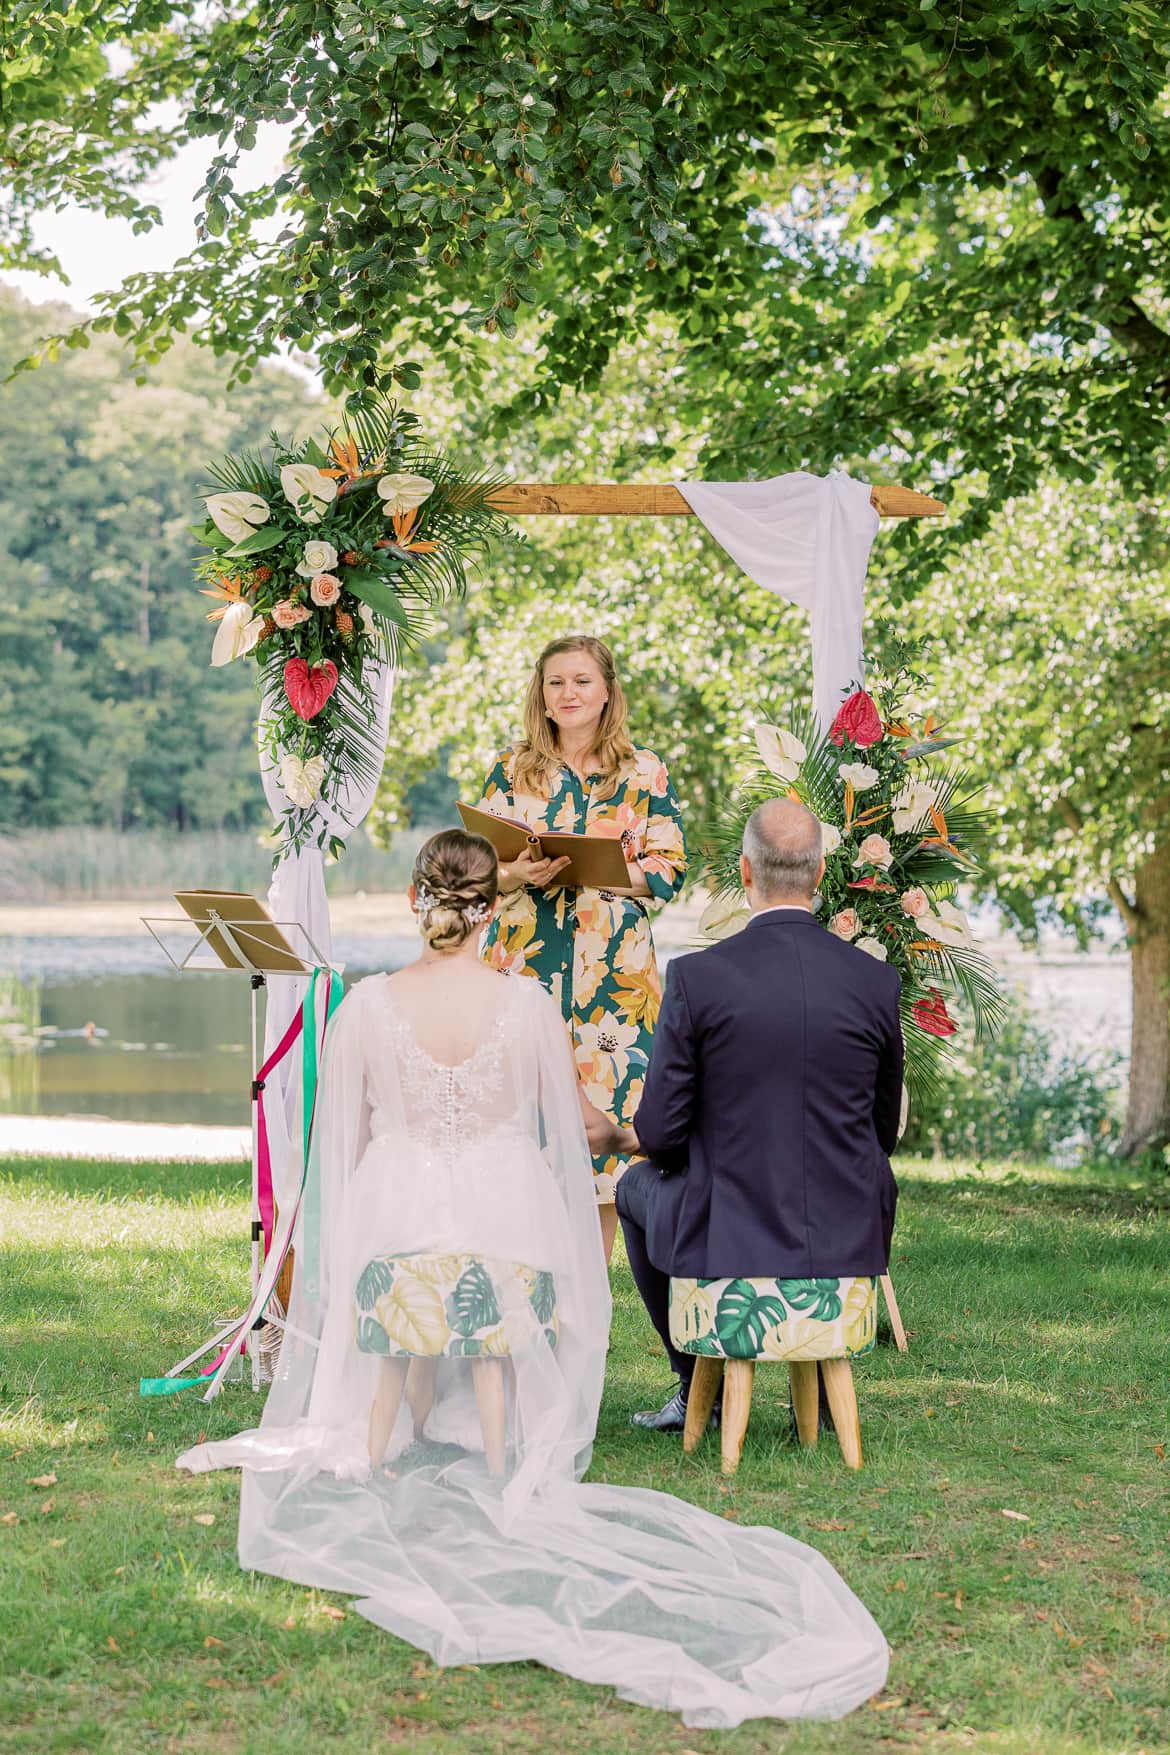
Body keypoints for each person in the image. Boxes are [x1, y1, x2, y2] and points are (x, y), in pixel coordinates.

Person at [176, 828, 889, 1727]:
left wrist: (375, 1212)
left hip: (393, 1228)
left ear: (413, 900)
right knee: (506, 1247)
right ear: (493, 908)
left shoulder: (363, 1006)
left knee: (420, 1252)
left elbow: (345, 1143)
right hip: (503, 1232)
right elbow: (579, 1126)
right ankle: (503, 1445)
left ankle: (376, 1437)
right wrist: (626, 1132)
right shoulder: (526, 1007)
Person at [617, 798, 904, 1432]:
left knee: (632, 1185)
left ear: (745, 873)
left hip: (729, 1232)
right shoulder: (875, 982)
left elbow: (661, 1137)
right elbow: (881, 1132)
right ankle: (827, 1395)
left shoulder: (697, 978)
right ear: (821, 874)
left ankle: (698, 1384)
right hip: (845, 1231)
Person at [478, 635, 687, 1263]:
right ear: (540, 695)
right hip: (521, 966)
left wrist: (602, 872)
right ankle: (514, 1284)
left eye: (581, 681)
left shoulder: (643, 771)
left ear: (607, 690)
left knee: (603, 1135)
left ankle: (587, 1302)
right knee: (514, 1116)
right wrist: (519, 875)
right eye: (555, 683)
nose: (568, 694)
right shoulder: (511, 770)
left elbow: (671, 870)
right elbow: (477, 867)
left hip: (614, 983)